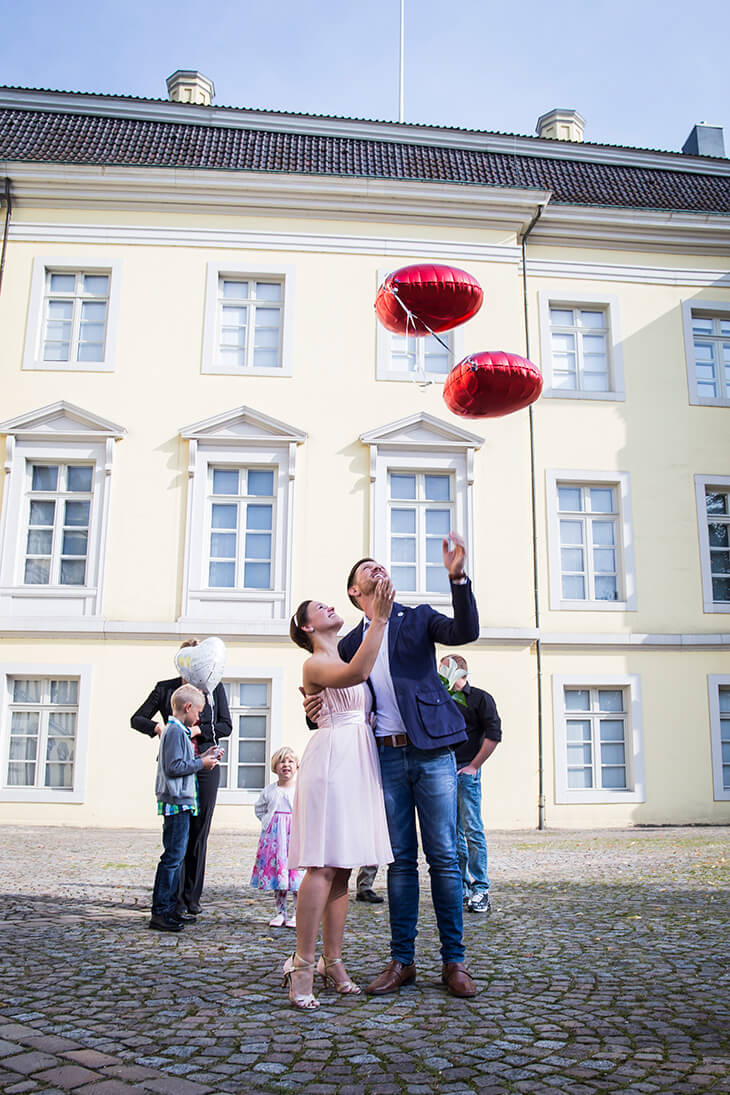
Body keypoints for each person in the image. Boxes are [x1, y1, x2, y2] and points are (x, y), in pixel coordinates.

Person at [303, 531, 480, 998]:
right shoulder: (352, 643)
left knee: (443, 855)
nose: (379, 571)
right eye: (369, 571)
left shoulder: (417, 618)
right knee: (399, 861)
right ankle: (402, 961)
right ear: (354, 592)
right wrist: (310, 710)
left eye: (383, 567)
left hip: (432, 749)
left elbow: (465, 633)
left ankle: (454, 962)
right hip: (383, 754)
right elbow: (334, 700)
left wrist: (457, 578)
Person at [284, 579, 395, 1009]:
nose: (330, 607)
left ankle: (334, 961)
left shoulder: (343, 649)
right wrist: (379, 620)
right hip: (332, 760)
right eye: (320, 607)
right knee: (322, 866)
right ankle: (302, 963)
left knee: (344, 868)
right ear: (308, 627)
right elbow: (357, 675)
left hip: (358, 757)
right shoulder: (315, 664)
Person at [131, 639, 232, 917]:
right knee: (179, 834)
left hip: (205, 767)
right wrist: (160, 729)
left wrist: (200, 733)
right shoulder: (165, 688)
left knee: (199, 833)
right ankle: (171, 899)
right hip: (178, 766)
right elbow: (137, 719)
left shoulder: (213, 687)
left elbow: (226, 724)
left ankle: (191, 896)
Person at [150, 684, 221, 932]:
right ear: (188, 707)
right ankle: (160, 911)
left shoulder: (179, 731)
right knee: (172, 859)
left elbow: (181, 763)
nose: (199, 718)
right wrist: (201, 763)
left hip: (182, 802)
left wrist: (204, 755)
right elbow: (174, 767)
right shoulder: (175, 732)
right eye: (198, 712)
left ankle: (170, 909)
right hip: (176, 803)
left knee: (176, 858)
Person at [439, 655, 502, 914]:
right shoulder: (441, 699)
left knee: (472, 828)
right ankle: (462, 888)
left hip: (466, 772)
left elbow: (494, 734)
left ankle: (481, 888)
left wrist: (474, 766)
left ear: (459, 671)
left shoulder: (480, 698)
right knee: (453, 834)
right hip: (443, 771)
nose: (440, 672)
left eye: (444, 668)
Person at [251, 746, 304, 928]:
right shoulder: (270, 790)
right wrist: (269, 822)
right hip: (275, 840)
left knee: (297, 877)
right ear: (275, 767)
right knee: (278, 876)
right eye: (282, 761)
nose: (286, 765)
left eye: (290, 761)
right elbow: (260, 808)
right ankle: (280, 912)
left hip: (294, 837)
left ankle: (298, 914)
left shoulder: (300, 789)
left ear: (296, 766)